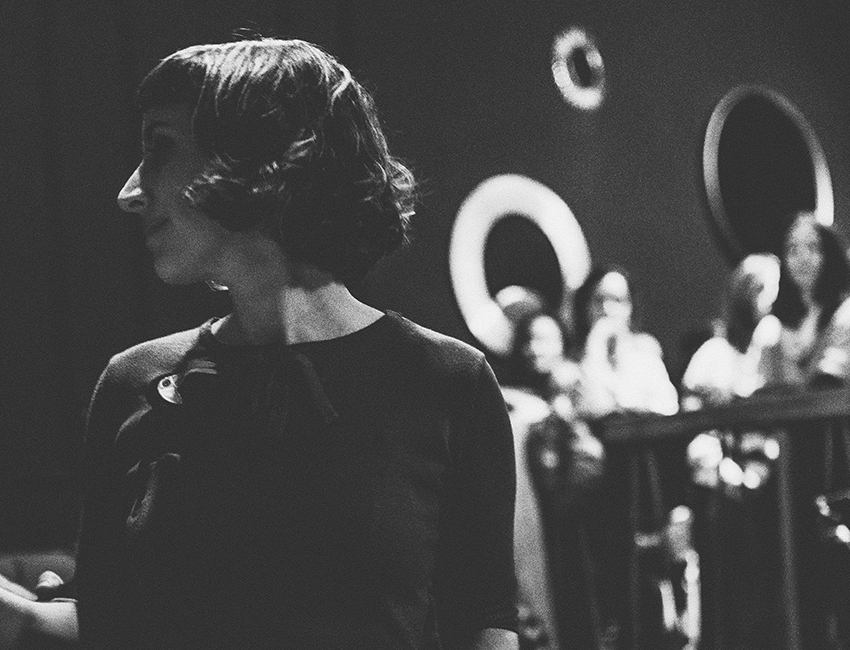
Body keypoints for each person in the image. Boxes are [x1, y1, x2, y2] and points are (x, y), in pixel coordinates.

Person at [0, 38, 519, 649]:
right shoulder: (131, 382)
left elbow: (482, 621)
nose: (129, 192)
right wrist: (23, 620)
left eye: (160, 149)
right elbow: (112, 625)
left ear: (255, 155)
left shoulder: (448, 381)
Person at [570, 265, 679, 419]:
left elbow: (667, 407)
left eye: (617, 300)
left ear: (630, 308)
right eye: (599, 300)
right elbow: (595, 406)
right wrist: (596, 346)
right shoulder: (572, 366)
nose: (607, 309)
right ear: (586, 307)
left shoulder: (647, 358)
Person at [760, 210, 850, 387]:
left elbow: (831, 383)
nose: (803, 258)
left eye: (813, 247)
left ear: (830, 255)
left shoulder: (845, 313)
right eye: (793, 250)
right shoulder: (775, 324)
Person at [681, 253, 781, 410]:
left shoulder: (774, 337)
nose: (770, 297)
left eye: (774, 288)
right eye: (760, 289)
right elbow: (689, 401)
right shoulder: (715, 350)